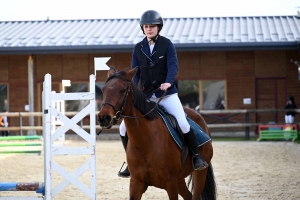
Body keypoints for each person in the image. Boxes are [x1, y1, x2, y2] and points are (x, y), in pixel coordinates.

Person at [117, 10, 208, 178]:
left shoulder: (167, 44)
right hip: (146, 96)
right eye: (146, 26)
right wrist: (133, 89)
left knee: (182, 122)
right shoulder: (138, 48)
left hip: (167, 94)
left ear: (158, 27)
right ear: (142, 28)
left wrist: (168, 81)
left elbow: (173, 65)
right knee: (123, 127)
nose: (149, 29)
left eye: (152, 26)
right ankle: (130, 162)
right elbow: (135, 72)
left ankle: (196, 157)